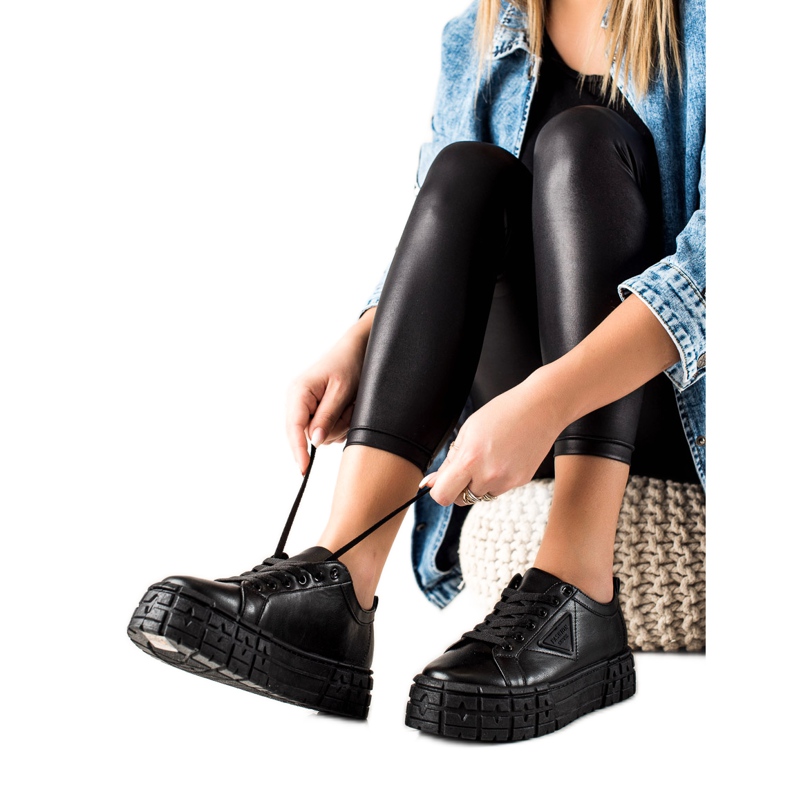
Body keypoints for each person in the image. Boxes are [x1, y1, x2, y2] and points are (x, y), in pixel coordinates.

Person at [128, 0, 705, 741]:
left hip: (683, 392)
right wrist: (363, 337)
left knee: (581, 142)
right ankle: (341, 586)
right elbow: (461, 238)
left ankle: (578, 587)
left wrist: (548, 398)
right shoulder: (481, 30)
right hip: (528, 397)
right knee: (465, 170)